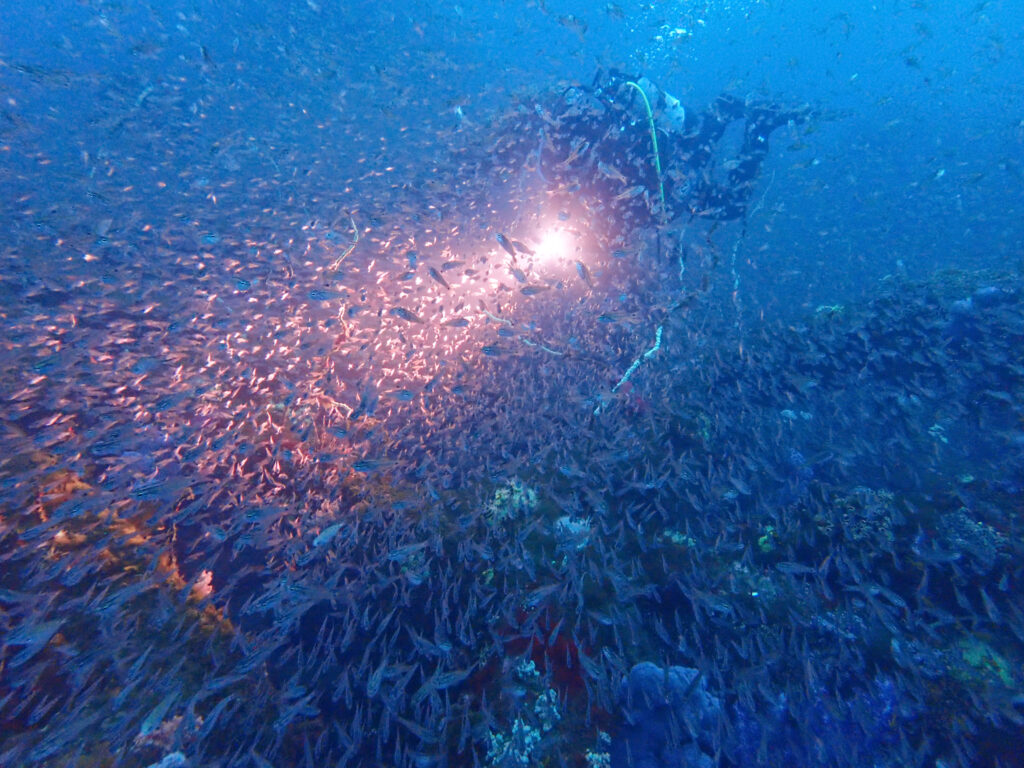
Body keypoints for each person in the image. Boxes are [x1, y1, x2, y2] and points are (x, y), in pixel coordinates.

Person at [488, 70, 811, 234]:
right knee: (698, 145)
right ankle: (722, 113)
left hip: (661, 164)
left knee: (732, 206)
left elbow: (642, 169)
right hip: (661, 155)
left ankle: (759, 128)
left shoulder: (567, 144)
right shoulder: (560, 147)